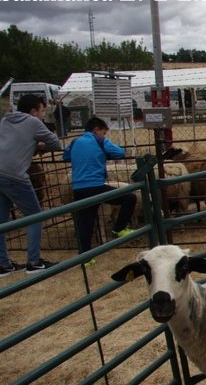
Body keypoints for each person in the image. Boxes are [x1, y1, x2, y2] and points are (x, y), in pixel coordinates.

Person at [0, 94, 64, 276]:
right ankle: (34, 262)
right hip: (15, 175)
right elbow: (56, 143)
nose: (44, 115)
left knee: (1, 221)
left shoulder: (5, 120)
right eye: (42, 111)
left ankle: (3, 265)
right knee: (34, 217)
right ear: (34, 111)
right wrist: (38, 145)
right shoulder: (33, 122)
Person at [63, 117, 136, 262]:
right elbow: (120, 153)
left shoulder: (75, 141)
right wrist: (103, 152)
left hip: (78, 188)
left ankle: (86, 258)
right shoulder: (99, 141)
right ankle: (119, 228)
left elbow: (65, 156)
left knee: (86, 221)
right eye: (103, 132)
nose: (104, 135)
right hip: (95, 186)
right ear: (96, 130)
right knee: (129, 198)